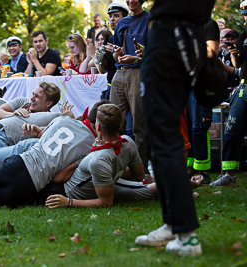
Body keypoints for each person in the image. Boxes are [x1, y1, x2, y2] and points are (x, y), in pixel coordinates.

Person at [135, 0, 216, 256]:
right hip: (174, 36)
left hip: (172, 37)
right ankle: (173, 223)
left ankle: (186, 234)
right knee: (157, 141)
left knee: (164, 139)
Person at [37, 103, 151, 208]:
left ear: (98, 126)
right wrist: (113, 172)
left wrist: (68, 202)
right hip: (103, 183)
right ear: (120, 125)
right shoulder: (128, 142)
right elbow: (138, 175)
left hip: (65, 192)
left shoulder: (99, 159)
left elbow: (106, 203)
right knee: (145, 190)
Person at [0, 114, 96, 208]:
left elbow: (43, 136)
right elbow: (58, 178)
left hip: (19, 162)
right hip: (31, 184)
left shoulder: (63, 119)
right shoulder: (91, 147)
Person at [0, 82, 61, 156]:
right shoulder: (23, 102)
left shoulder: (49, 120)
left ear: (48, 103)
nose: (32, 98)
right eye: (33, 94)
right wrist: (13, 114)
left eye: (37, 97)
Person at [110, 0, 150, 172]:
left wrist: (136, 57)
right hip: (119, 74)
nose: (131, 0)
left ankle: (142, 172)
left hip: (139, 73)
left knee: (139, 126)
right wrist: (117, 54)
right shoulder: (122, 23)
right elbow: (115, 54)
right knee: (110, 121)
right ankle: (114, 168)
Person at [212, 1, 247, 187]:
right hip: (243, 89)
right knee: (231, 132)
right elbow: (238, 65)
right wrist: (234, 54)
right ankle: (229, 176)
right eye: (245, 15)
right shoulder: (244, 35)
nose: (246, 18)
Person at [186, 18, 220, 184]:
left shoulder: (208, 24)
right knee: (186, 129)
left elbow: (211, 52)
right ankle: (188, 170)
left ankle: (203, 171)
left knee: (199, 128)